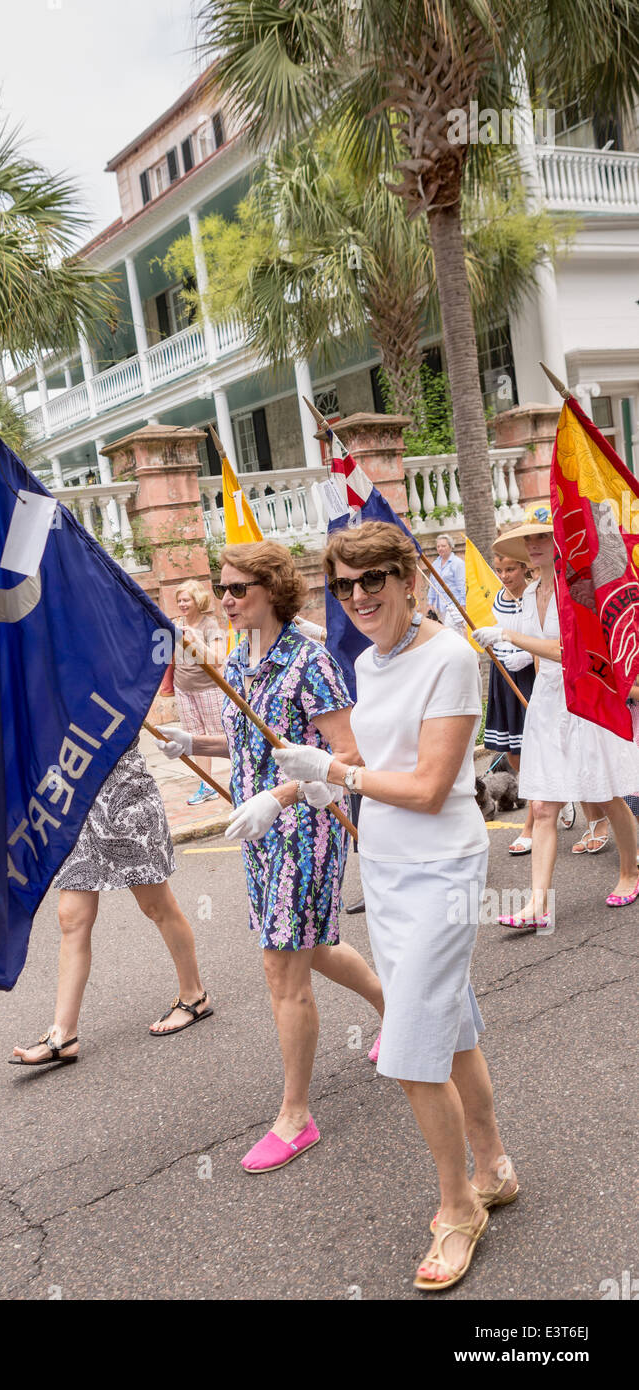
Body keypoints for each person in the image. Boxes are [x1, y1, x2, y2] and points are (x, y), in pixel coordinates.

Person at [274, 520, 515, 1291]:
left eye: (372, 579)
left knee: (412, 1049)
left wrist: (337, 777)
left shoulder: (447, 657)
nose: (357, 597)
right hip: (384, 866)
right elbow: (368, 762)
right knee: (451, 1028)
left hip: (442, 867)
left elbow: (429, 787)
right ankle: (495, 1169)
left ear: (408, 578)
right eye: (343, 585)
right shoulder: (371, 662)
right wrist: (295, 785)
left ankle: (457, 1209)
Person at [157, 540, 384, 1172]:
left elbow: (351, 755)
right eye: (222, 588)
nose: (227, 599)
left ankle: (296, 1116)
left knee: (282, 965)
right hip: (258, 833)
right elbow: (254, 744)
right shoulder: (239, 657)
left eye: (238, 589)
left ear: (273, 588)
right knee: (308, 946)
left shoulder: (310, 659)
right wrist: (192, 742)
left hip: (306, 825)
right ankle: (395, 1011)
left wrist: (280, 798)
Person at [474, 509, 639, 931]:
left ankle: (631, 871)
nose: (532, 545)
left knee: (606, 794)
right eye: (528, 539)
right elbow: (537, 652)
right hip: (547, 704)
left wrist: (508, 635)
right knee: (544, 805)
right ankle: (537, 905)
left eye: (542, 537)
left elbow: (571, 653)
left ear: (559, 542)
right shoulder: (528, 594)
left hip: (583, 700)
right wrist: (506, 649)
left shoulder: (576, 589)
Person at [9, 745, 213, 1066]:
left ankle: (193, 995)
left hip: (125, 798)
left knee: (157, 906)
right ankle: (63, 1034)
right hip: (74, 809)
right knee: (71, 918)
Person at [483, 548, 536, 855]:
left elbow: (547, 636)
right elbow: (501, 632)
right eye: (499, 570)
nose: (504, 576)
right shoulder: (498, 599)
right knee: (513, 752)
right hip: (505, 674)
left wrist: (527, 655)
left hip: (530, 674)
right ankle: (540, 796)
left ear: (524, 567)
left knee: (532, 747)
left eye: (510, 570)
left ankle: (531, 824)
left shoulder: (535, 596)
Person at [173, 579, 226, 805]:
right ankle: (207, 785)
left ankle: (246, 774)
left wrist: (195, 640)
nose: (182, 604)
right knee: (195, 738)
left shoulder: (209, 626)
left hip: (208, 689)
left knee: (221, 735)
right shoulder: (175, 624)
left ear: (197, 600)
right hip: (183, 688)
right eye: (179, 600)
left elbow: (218, 659)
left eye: (186, 599)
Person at [426, 533, 466, 633]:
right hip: (441, 606)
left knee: (451, 632)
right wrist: (430, 603)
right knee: (452, 632)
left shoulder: (457, 563)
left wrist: (463, 605)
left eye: (443, 546)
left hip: (454, 605)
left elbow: (462, 585)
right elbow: (433, 585)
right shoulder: (435, 564)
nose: (440, 548)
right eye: (438, 546)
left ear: (451, 547)